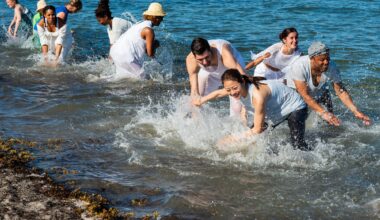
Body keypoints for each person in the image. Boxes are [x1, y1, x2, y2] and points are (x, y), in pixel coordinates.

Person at [193, 69, 309, 151]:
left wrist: (231, 138)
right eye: (228, 90)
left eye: (235, 88)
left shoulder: (257, 96)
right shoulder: (232, 88)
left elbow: (257, 129)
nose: (232, 93)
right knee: (252, 139)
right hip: (275, 109)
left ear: (242, 82)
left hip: (295, 107)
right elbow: (218, 93)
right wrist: (201, 100)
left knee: (298, 146)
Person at [285, 41, 371, 126]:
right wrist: (323, 112)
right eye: (322, 60)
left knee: (330, 119)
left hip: (319, 91)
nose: (326, 62)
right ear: (312, 58)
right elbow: (305, 95)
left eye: (328, 58)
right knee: (299, 120)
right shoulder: (299, 66)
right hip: (296, 93)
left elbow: (341, 91)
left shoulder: (332, 66)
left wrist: (356, 111)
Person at [186, 37, 247, 116]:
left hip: (232, 70)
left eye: (207, 57)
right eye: (200, 60)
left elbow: (244, 80)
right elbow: (194, 92)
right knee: (195, 102)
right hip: (209, 73)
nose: (204, 62)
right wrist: (197, 101)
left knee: (237, 109)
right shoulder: (191, 60)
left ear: (210, 50)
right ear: (195, 57)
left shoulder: (224, 54)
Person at [109, 2, 166, 79]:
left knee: (121, 78)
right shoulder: (149, 30)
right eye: (161, 17)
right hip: (126, 56)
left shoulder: (139, 24)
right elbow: (150, 54)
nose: (162, 20)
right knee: (142, 78)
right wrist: (155, 45)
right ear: (155, 17)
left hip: (115, 52)